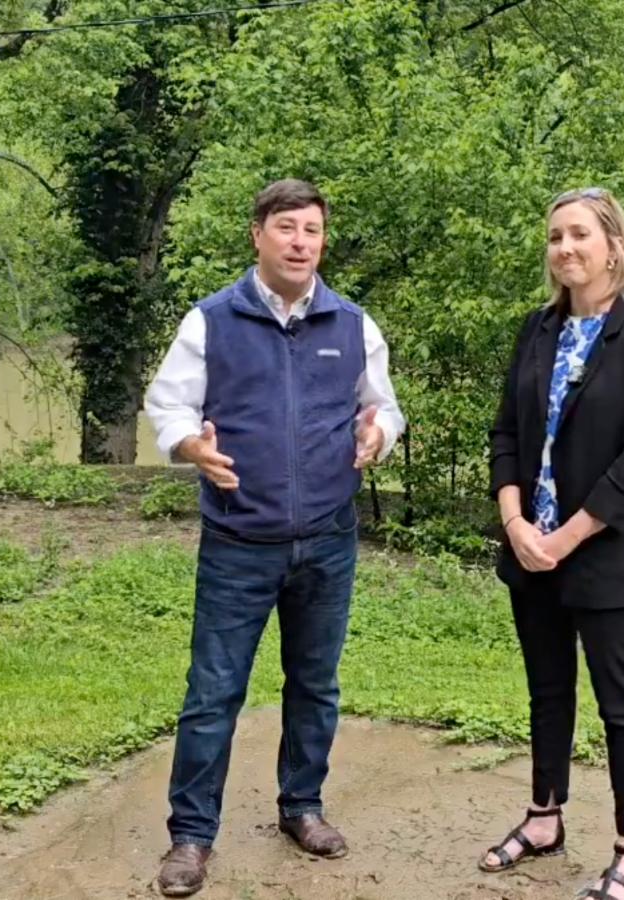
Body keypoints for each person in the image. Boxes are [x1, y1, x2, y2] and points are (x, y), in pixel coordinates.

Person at [144, 179, 405, 897]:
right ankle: (191, 836)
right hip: (239, 541)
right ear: (257, 234)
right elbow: (167, 405)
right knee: (213, 692)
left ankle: (302, 807)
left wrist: (379, 434)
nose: (300, 242)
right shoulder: (210, 321)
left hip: (327, 539)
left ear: (323, 241)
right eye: (286, 227)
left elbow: (383, 406)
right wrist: (190, 446)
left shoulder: (353, 325)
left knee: (315, 684)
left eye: (312, 230)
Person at [482, 187, 624, 899]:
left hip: (604, 556)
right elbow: (506, 435)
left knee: (620, 705)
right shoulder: (537, 330)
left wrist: (563, 540)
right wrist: (516, 526)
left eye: (579, 235)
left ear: (614, 248)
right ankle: (544, 818)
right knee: (547, 692)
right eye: (555, 236)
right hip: (530, 552)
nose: (564, 247)